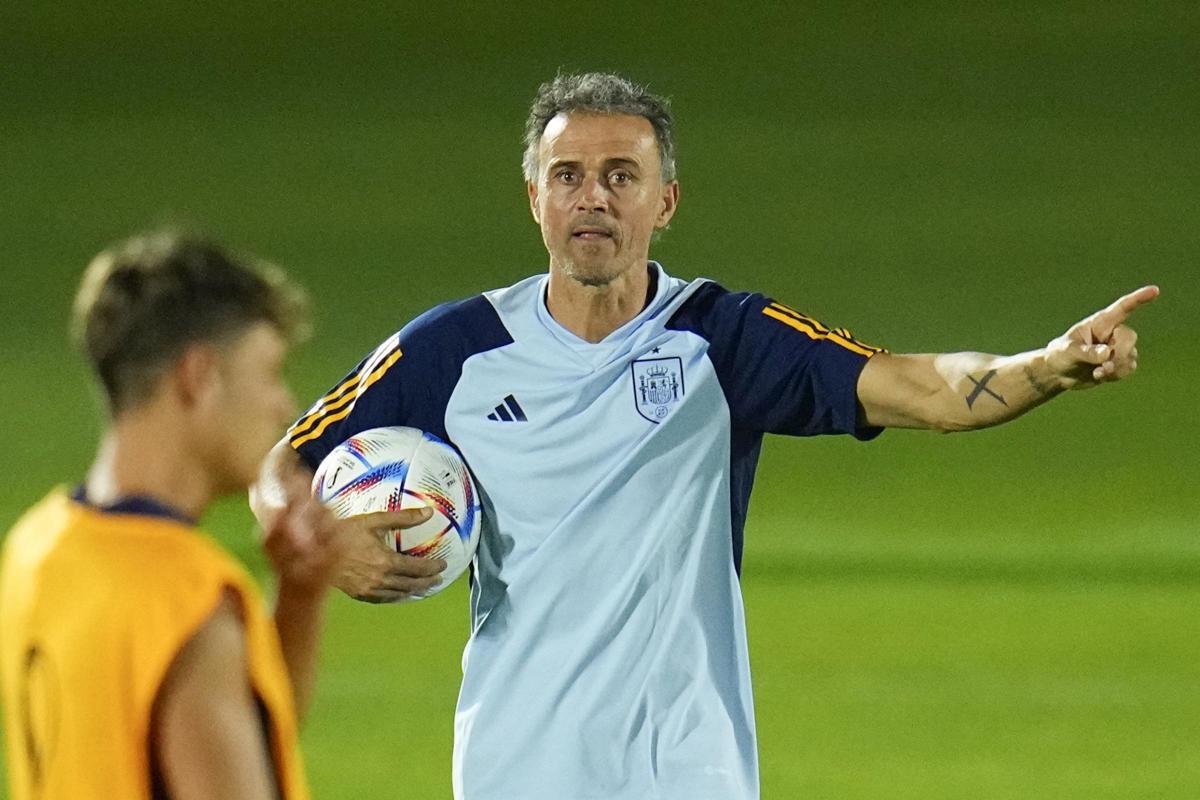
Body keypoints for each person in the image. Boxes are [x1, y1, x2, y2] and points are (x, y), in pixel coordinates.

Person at [252, 73, 1158, 799]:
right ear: (535, 199)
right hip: (515, 767)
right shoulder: (455, 349)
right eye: (568, 176)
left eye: (622, 176)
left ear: (666, 201)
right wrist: (320, 549)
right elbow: (281, 466)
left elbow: (922, 387)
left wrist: (1049, 366)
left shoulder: (721, 339)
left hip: (688, 769)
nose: (593, 198)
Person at [0, 232, 431, 800]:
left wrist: (299, 598)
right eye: (269, 372)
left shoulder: (36, 546)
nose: (284, 405)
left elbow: (231, 734)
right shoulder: (186, 601)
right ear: (199, 376)